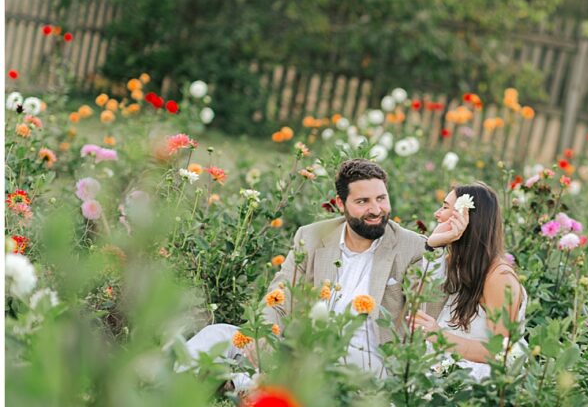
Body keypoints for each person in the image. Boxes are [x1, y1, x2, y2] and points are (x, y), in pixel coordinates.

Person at [177, 158, 466, 381]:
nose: (376, 209)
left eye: (381, 198)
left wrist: (436, 247)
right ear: (341, 203)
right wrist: (261, 332)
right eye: (363, 201)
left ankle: (243, 384)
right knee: (218, 334)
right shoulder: (312, 237)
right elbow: (278, 296)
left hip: (366, 361)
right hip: (300, 349)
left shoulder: (415, 247)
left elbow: (429, 302)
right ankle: (168, 388)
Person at [410, 182, 528, 380]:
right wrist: (433, 244)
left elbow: (501, 352)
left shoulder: (499, 278)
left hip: (480, 384)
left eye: (446, 207)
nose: (437, 214)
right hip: (447, 373)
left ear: (466, 218)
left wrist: (438, 336)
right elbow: (422, 288)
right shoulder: (460, 264)